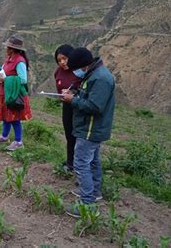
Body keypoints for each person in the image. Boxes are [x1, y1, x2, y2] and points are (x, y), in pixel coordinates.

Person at [61, 47, 115, 217]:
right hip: (90, 127)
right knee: (92, 160)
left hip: (91, 128)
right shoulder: (93, 74)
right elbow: (89, 95)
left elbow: (95, 106)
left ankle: (87, 204)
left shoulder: (101, 79)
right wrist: (75, 93)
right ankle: (95, 191)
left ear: (83, 65)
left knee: (81, 162)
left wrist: (73, 100)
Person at [0, 36, 32, 151]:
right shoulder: (10, 59)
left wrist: (6, 79)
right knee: (6, 116)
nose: (6, 49)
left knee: (14, 118)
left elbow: (23, 79)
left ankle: (19, 142)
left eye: (7, 47)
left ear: (12, 49)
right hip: (7, 93)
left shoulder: (19, 61)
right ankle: (4, 136)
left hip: (15, 95)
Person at [53, 44, 82, 173]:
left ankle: (81, 165)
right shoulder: (58, 72)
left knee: (80, 137)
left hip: (80, 107)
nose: (62, 62)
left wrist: (74, 93)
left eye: (65, 58)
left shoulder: (80, 71)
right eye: (59, 60)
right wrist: (61, 96)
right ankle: (70, 162)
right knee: (69, 135)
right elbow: (59, 89)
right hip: (67, 107)